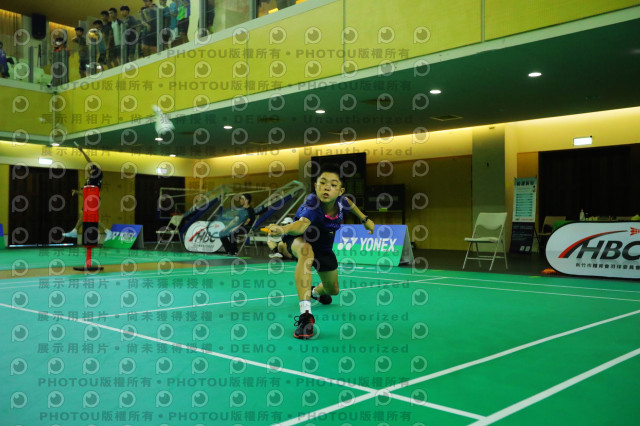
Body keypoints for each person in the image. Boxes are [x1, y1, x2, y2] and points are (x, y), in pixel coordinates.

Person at [266, 163, 375, 339]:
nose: (327, 187)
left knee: (333, 290)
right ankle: (305, 316)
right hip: (300, 238)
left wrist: (365, 219)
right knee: (306, 251)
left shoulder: (341, 202)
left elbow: (349, 203)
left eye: (333, 185)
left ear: (340, 191)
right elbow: (301, 225)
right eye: (322, 183)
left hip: (323, 246)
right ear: (316, 186)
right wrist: (283, 229)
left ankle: (315, 291)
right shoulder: (312, 206)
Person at [63, 147, 112, 239]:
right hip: (90, 198)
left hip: (94, 198)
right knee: (87, 216)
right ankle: (76, 231)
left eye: (92, 169)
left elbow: (89, 161)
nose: (90, 170)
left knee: (87, 215)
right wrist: (77, 192)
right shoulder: (89, 181)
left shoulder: (97, 174)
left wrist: (82, 151)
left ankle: (107, 231)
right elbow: (85, 193)